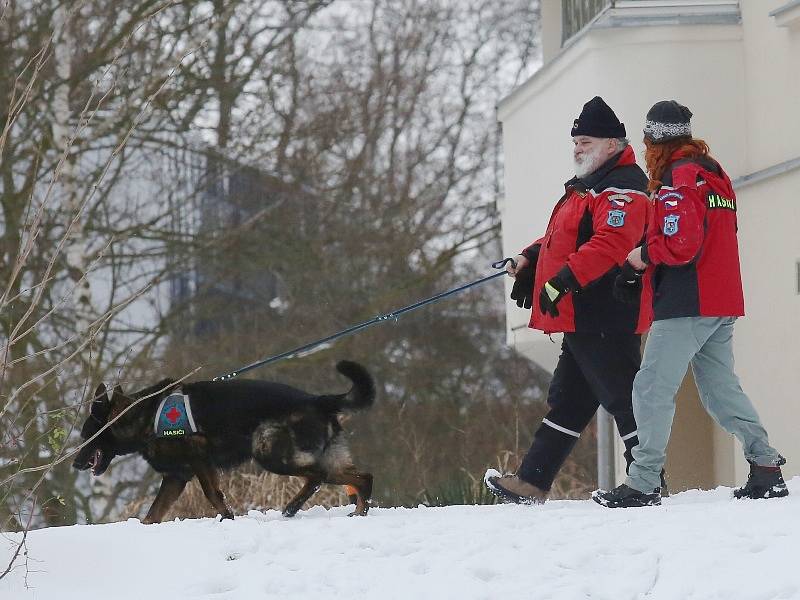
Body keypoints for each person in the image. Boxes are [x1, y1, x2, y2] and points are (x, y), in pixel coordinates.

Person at [592, 100, 788, 509]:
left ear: (655, 141)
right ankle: (766, 465)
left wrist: (641, 256)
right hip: (722, 298)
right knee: (719, 389)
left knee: (650, 388)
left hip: (688, 302)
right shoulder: (714, 174)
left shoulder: (678, 179)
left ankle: (644, 482)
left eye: (647, 141)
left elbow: (681, 244)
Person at [484, 97, 652, 504]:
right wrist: (528, 257)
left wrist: (562, 280)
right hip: (581, 314)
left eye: (586, 140)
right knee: (569, 401)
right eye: (575, 140)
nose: (578, 147)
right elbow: (561, 238)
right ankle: (532, 482)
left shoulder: (623, 187)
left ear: (613, 143)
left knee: (623, 398)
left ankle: (647, 480)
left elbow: (611, 244)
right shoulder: (588, 187)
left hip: (606, 309)